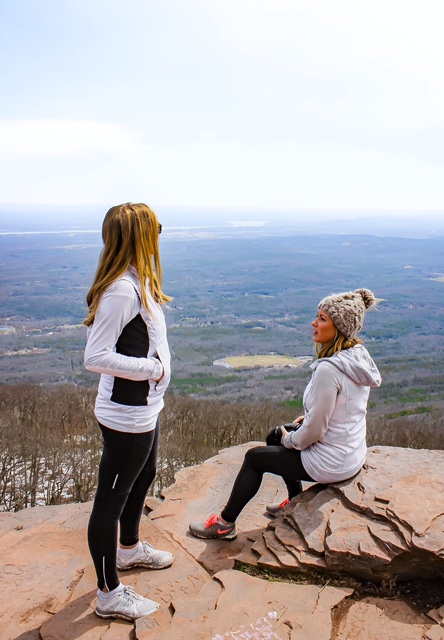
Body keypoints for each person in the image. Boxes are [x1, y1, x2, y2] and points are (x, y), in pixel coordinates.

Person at [189, 288, 381, 541]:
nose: (314, 323)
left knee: (255, 458)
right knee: (274, 435)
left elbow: (316, 431)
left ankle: (224, 525)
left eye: (322, 318)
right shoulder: (356, 358)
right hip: (349, 452)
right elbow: (345, 410)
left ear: (339, 328)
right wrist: (304, 422)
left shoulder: (329, 370)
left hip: (332, 462)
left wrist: (291, 440)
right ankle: (294, 502)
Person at [84, 203, 174, 621]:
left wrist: (155, 379)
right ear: (139, 236)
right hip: (126, 413)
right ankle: (108, 593)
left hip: (144, 407)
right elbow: (96, 356)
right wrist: (152, 370)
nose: (160, 233)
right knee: (109, 502)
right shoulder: (122, 289)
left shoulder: (139, 281)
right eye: (154, 228)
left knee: (146, 474)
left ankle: (130, 548)